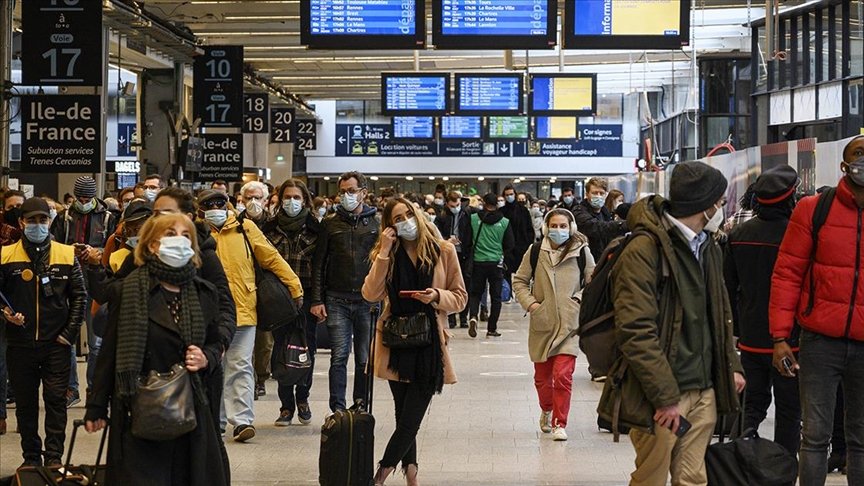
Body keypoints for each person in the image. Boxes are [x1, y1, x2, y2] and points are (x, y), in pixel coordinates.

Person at [598, 161, 745, 485]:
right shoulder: (643, 249)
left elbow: (719, 312)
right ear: (705, 205)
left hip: (703, 388)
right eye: (719, 203)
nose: (722, 208)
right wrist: (665, 396)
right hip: (661, 394)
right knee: (651, 478)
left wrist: (732, 365)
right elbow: (636, 331)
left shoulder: (708, 246)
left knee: (693, 478)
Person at [83, 214, 228, 485]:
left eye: (186, 236)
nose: (179, 241)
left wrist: (206, 357)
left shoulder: (204, 292)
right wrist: (96, 407)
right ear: (151, 245)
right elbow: (110, 352)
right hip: (139, 411)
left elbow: (215, 340)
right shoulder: (128, 290)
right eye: (170, 234)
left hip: (191, 410)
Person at [770, 134, 864, 485]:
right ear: (844, 164)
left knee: (861, 440)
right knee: (814, 437)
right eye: (858, 155)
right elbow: (787, 274)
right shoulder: (814, 209)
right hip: (820, 342)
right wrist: (780, 336)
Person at [362, 198, 467, 486]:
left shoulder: (443, 250)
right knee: (402, 415)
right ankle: (411, 473)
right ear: (389, 226)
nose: (406, 221)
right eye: (398, 218)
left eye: (409, 214)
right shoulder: (388, 254)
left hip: (430, 343)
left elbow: (460, 297)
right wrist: (384, 251)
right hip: (396, 341)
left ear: (419, 215)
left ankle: (381, 474)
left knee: (411, 420)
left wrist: (436, 296)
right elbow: (370, 294)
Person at [199, 189, 303, 442]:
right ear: (201, 208)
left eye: (220, 203)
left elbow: (271, 258)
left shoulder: (245, 228)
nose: (215, 208)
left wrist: (294, 285)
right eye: (209, 204)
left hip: (243, 308)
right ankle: (217, 421)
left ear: (228, 205)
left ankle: (242, 421)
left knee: (240, 366)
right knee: (214, 368)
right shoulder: (195, 232)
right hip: (207, 313)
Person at [1, 197, 87, 467]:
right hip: (19, 343)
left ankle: (53, 457)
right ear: (21, 222)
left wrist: (68, 335)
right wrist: (5, 316)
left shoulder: (66, 254)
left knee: (55, 403)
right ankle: (30, 457)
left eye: (42, 220)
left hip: (57, 344)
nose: (37, 225)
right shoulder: (5, 256)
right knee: (26, 405)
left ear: (49, 222)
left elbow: (80, 298)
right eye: (32, 220)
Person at [725, 165, 801, 454]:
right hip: (789, 340)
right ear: (790, 198)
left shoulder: (738, 234)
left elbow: (729, 287)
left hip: (751, 337)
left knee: (751, 406)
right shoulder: (797, 237)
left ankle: (740, 459)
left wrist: (736, 331)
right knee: (789, 411)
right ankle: (784, 465)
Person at [513, 208, 595, 442]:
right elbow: (519, 280)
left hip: (570, 325)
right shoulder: (535, 251)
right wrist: (532, 305)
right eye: (555, 226)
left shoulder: (582, 252)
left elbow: (592, 282)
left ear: (571, 228)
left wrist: (577, 300)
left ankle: (560, 422)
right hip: (543, 323)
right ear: (546, 227)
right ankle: (546, 409)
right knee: (542, 378)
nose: (559, 230)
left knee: (562, 375)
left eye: (563, 226)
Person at [311, 171, 379, 413]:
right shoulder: (330, 223)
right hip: (336, 298)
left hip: (367, 301)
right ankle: (337, 408)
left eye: (351, 191)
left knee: (364, 358)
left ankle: (361, 403)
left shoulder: (376, 223)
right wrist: (317, 299)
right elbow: (319, 263)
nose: (346, 196)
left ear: (363, 193)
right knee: (338, 357)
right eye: (342, 192)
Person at [51, 176, 118, 408]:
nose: (83, 201)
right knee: (66, 336)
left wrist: (96, 253)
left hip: (97, 280)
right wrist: (68, 251)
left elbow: (113, 249)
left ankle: (94, 388)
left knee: (97, 340)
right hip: (67, 281)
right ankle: (71, 388)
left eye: (87, 198)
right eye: (80, 197)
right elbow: (52, 245)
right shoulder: (64, 217)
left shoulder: (108, 217)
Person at [263, 179, 322, 426]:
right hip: (279, 297)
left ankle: (303, 398)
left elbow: (321, 266)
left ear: (305, 200)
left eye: (296, 197)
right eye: (287, 197)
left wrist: (319, 299)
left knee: (306, 348)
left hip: (307, 296)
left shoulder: (316, 229)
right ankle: (286, 405)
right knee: (281, 348)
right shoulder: (270, 228)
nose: (291, 202)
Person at [237, 181, 274, 399]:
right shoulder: (235, 224)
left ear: (266, 200)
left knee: (264, 339)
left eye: (257, 198)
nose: (253, 202)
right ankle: (247, 379)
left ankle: (261, 376)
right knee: (242, 338)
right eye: (248, 198)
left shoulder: (273, 224)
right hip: (243, 286)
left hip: (266, 287)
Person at [467, 193, 514, 339]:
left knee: (475, 293)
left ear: (484, 202)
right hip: (496, 264)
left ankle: (473, 316)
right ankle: (491, 328)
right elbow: (510, 244)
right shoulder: (505, 222)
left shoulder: (474, 219)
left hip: (478, 262)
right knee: (496, 297)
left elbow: (467, 240)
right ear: (497, 204)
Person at [435, 191, 473, 329]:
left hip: (465, 255)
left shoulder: (467, 214)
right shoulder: (442, 216)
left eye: (457, 204)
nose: (455, 207)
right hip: (448, 255)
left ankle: (464, 317)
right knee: (448, 286)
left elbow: (471, 234)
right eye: (452, 205)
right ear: (447, 204)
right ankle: (451, 318)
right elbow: (435, 234)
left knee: (464, 286)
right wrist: (446, 240)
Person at [572, 177, 628, 261]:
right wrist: (623, 225)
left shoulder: (606, 213)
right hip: (585, 261)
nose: (598, 196)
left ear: (606, 194)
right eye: (594, 193)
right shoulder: (579, 211)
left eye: (601, 193)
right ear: (587, 194)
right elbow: (595, 227)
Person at [500, 185, 535, 300]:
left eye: (511, 194)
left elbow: (529, 228)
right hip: (507, 247)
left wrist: (529, 243)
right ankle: (508, 293)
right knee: (507, 271)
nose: (509, 197)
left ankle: (522, 294)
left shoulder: (523, 210)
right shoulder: (502, 211)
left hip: (522, 245)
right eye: (507, 195)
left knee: (523, 272)